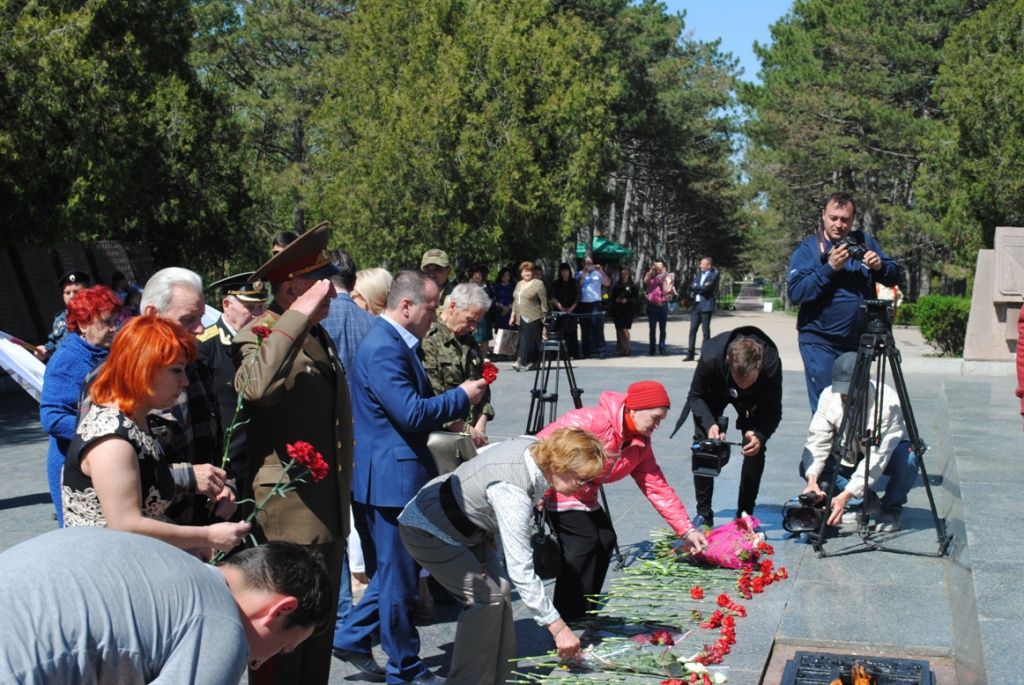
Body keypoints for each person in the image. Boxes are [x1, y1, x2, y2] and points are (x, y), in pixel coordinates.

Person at [333, 270, 487, 685]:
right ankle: (406, 669)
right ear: (406, 306)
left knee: (392, 570)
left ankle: (351, 635)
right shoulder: (384, 346)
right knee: (399, 578)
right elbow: (411, 413)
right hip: (389, 482)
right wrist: (462, 397)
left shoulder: (392, 343)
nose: (434, 316)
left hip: (382, 477)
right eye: (432, 307)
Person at [233, 222, 353, 685]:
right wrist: (296, 318)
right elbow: (256, 388)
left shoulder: (318, 336)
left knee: (315, 640)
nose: (334, 297)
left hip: (324, 513)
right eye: (322, 288)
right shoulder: (261, 334)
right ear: (291, 289)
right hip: (289, 517)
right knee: (281, 650)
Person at [398, 428, 607, 684]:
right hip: (428, 527)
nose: (583, 487)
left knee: (502, 593)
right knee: (487, 599)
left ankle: (498, 678)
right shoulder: (512, 493)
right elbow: (522, 570)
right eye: (581, 479)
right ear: (559, 464)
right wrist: (559, 629)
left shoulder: (535, 446)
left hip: (468, 522)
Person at [0, 527, 333, 683]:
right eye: (284, 647)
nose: (260, 664)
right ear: (281, 609)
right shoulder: (220, 626)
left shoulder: (163, 561)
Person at [62, 314, 249, 555]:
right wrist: (207, 537)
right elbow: (126, 526)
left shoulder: (132, 421)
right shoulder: (112, 439)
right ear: (143, 368)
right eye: (176, 371)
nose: (185, 382)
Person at [537, 380, 708, 620]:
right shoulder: (592, 421)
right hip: (558, 487)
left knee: (606, 539)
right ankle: (567, 617)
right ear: (635, 409)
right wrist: (539, 493)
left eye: (661, 420)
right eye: (655, 417)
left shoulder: (639, 444)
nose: (657, 425)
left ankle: (586, 607)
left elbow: (656, 487)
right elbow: (540, 445)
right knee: (584, 542)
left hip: (585, 494)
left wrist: (687, 531)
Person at [787, 193, 900, 411]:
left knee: (856, 409)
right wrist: (829, 268)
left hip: (857, 342)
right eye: (833, 218)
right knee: (829, 408)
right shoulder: (808, 250)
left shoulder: (865, 242)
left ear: (853, 219)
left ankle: (851, 445)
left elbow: (894, 274)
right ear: (823, 216)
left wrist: (880, 266)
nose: (839, 225)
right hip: (820, 341)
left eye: (845, 219)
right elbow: (796, 293)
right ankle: (826, 447)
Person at [139, 267, 228, 526]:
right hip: (152, 539)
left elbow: (215, 438)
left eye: (201, 317)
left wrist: (225, 484)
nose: (200, 329)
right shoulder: (115, 379)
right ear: (152, 316)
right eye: (188, 319)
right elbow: (116, 478)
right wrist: (187, 477)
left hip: (201, 529)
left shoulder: (197, 366)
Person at [800, 352, 918, 532]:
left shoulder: (888, 403)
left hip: (886, 455)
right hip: (849, 455)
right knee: (807, 465)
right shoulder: (828, 396)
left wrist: (846, 495)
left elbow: (878, 459)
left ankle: (891, 509)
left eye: (851, 390)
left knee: (910, 458)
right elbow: (817, 440)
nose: (845, 396)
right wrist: (812, 481)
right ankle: (866, 501)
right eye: (842, 390)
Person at [682, 327, 783, 528]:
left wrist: (760, 435)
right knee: (704, 446)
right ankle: (703, 513)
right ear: (729, 362)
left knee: (754, 448)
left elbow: (773, 411)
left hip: (754, 401)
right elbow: (695, 396)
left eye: (749, 380)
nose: (743, 386)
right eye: (740, 380)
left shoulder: (771, 364)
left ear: (759, 366)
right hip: (715, 389)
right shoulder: (711, 357)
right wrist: (710, 423)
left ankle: (745, 513)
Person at [39, 285, 121, 526]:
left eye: (115, 321)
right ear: (83, 325)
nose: (114, 328)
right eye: (106, 322)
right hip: (72, 466)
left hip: (103, 458)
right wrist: (105, 429)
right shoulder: (67, 359)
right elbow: (52, 417)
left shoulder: (107, 351)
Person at [197, 273, 269, 493]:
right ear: (227, 305)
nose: (259, 316)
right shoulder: (205, 347)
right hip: (226, 469)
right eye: (250, 307)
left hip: (263, 461)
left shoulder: (267, 342)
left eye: (261, 307)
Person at [422, 282, 495, 449]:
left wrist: (482, 420)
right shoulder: (429, 339)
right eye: (470, 320)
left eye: (477, 322)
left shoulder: (468, 339)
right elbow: (432, 394)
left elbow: (481, 384)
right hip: (442, 440)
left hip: (472, 435)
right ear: (453, 307)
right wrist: (463, 428)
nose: (473, 328)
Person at [36, 270, 90, 359]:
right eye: (67, 293)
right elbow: (54, 342)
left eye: (76, 291)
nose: (72, 296)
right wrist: (45, 349)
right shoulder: (60, 318)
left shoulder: (97, 316)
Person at [510, 260, 548, 372]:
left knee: (525, 340)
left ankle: (519, 360)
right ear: (521, 273)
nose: (527, 273)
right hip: (519, 316)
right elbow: (515, 300)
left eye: (529, 271)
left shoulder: (538, 284)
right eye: (524, 271)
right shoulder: (518, 284)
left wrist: (545, 317)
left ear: (533, 272)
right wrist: (512, 315)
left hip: (533, 316)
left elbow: (544, 302)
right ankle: (536, 362)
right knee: (532, 341)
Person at [684, 257, 719, 362]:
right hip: (696, 305)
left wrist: (698, 287)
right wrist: (699, 287)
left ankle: (704, 355)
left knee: (705, 332)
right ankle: (690, 354)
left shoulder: (714, 274)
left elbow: (707, 288)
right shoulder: (699, 274)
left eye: (702, 264)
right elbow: (692, 286)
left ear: (708, 265)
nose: (700, 266)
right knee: (692, 330)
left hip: (706, 305)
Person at [577, 256, 610, 358]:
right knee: (585, 329)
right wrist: (584, 273)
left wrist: (602, 271)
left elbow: (608, 283)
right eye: (586, 263)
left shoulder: (598, 273)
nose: (588, 265)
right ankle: (586, 352)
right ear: (583, 264)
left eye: (590, 263)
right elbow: (579, 285)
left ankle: (601, 351)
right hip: (584, 304)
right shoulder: (579, 273)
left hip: (596, 304)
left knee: (598, 328)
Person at [550, 262, 581, 359]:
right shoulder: (556, 283)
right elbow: (553, 297)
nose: (564, 273)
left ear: (569, 272)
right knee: (560, 332)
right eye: (562, 271)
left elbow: (578, 297)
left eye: (566, 271)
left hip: (572, 310)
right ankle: (560, 355)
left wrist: (570, 309)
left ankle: (573, 353)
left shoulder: (574, 282)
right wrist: (561, 308)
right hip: (559, 310)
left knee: (572, 332)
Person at [643, 260, 672, 356]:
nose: (658, 269)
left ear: (663, 267)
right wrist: (651, 271)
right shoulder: (651, 275)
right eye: (657, 267)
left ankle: (662, 348)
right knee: (652, 328)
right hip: (653, 305)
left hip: (663, 305)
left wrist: (663, 273)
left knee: (662, 328)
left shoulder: (667, 276)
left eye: (660, 267)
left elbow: (669, 289)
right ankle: (652, 349)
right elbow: (645, 281)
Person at [468, 265, 496, 359]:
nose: (477, 276)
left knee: (485, 336)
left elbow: (492, 297)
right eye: (475, 274)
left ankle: (484, 355)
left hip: (485, 315)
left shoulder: (487, 285)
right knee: (475, 335)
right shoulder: (469, 286)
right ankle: (475, 355)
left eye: (479, 274)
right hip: (474, 314)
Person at [610, 266, 638, 356]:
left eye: (626, 274)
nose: (624, 275)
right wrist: (617, 300)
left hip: (628, 310)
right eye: (622, 274)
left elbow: (635, 298)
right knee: (619, 329)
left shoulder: (632, 286)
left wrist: (627, 300)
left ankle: (628, 348)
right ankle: (620, 348)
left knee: (625, 328)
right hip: (618, 310)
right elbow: (612, 297)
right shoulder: (617, 285)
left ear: (629, 274)